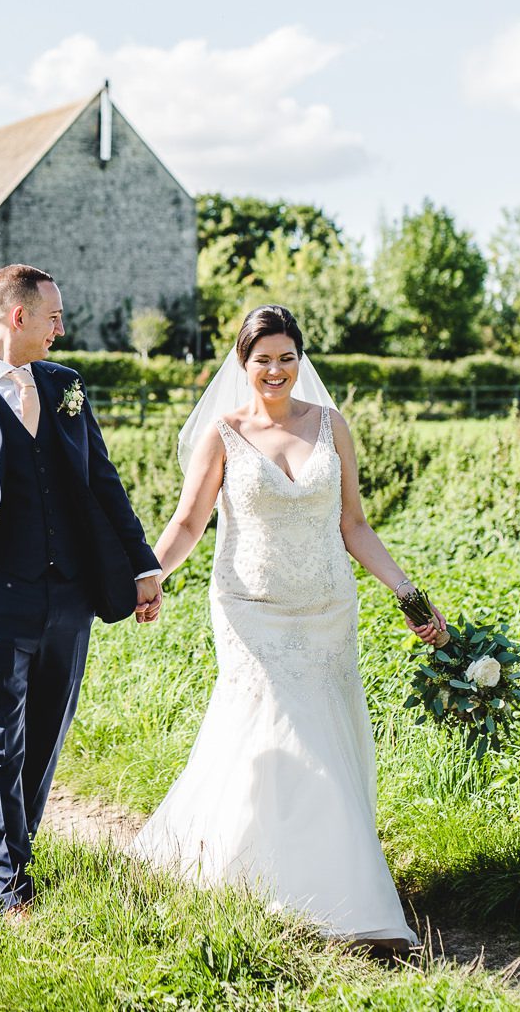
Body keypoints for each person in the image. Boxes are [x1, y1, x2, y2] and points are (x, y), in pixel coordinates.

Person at [129, 304, 447, 951]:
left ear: (301, 359)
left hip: (328, 608)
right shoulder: (224, 432)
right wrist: (151, 573)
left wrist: (409, 594)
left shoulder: (332, 425)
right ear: (242, 365)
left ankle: (341, 894)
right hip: (252, 607)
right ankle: (262, 882)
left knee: (326, 739)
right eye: (262, 359)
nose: (275, 370)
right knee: (276, 734)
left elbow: (353, 523)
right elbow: (190, 522)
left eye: (286, 356)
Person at [0, 264, 164, 922]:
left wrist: (142, 566)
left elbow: (104, 483)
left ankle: (16, 851)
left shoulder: (66, 386)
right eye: (54, 315)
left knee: (44, 738)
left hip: (70, 597)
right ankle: (7, 886)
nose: (62, 327)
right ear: (17, 316)